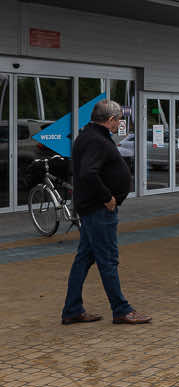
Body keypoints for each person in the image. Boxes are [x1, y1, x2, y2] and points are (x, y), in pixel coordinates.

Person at [61, 99, 151, 326]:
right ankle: (121, 309)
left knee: (84, 258)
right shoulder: (96, 140)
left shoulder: (90, 136)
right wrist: (107, 197)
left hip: (92, 208)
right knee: (108, 259)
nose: (119, 123)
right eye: (119, 119)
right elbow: (88, 174)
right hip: (98, 210)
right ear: (110, 120)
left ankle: (72, 309)